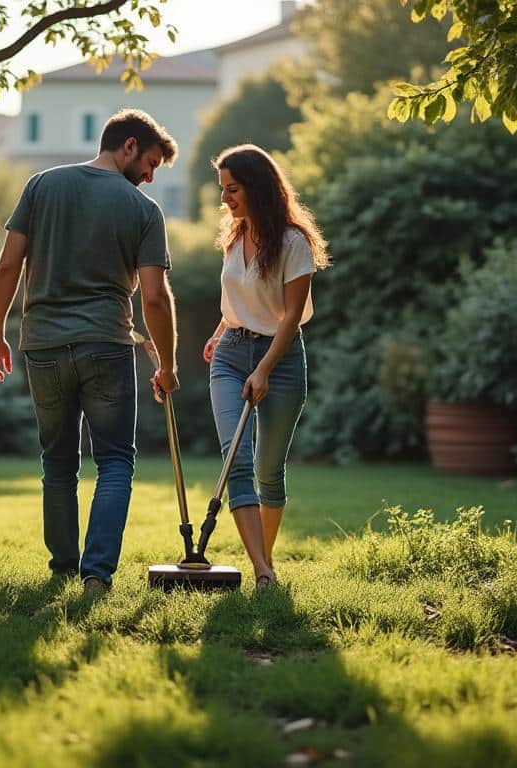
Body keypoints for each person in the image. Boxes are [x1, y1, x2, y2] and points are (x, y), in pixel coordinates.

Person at [0, 109, 181, 596]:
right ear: (129, 146)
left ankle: (63, 569)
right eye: (151, 163)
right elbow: (154, 297)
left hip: (43, 345)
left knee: (57, 461)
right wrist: (170, 365)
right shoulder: (143, 211)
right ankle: (96, 576)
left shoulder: (42, 186)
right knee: (114, 461)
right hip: (106, 346)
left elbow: (8, 265)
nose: (151, 177)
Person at [203, 144, 329, 589]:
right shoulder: (234, 236)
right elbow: (239, 297)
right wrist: (220, 333)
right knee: (234, 460)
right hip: (231, 354)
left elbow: (289, 317)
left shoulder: (294, 242)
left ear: (256, 187)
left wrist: (265, 370)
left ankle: (265, 562)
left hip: (283, 359)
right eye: (223, 189)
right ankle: (262, 570)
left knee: (268, 470)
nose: (225, 199)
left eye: (232, 189)